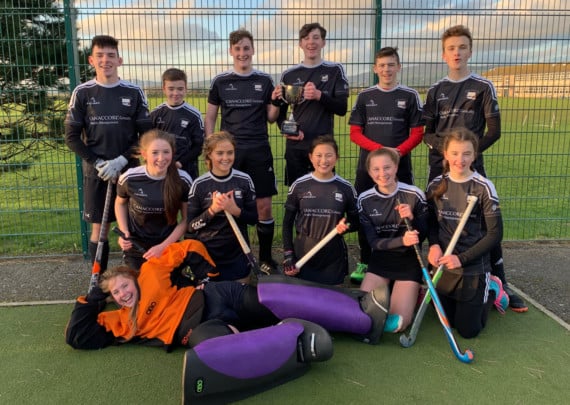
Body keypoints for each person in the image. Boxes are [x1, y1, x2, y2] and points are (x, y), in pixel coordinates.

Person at [65, 239, 392, 402]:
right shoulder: (120, 322)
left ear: (132, 279)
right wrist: (90, 299)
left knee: (272, 294)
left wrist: (207, 276)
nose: (123, 293)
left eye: (124, 286)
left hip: (218, 296)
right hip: (197, 328)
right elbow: (77, 336)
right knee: (215, 352)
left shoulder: (150, 273)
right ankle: (296, 340)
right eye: (116, 293)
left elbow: (190, 247)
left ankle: (365, 318)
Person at [422, 25, 527, 311]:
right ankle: (437, 277)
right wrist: (448, 153)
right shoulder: (435, 90)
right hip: (439, 169)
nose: (457, 52)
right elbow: (426, 134)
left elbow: (494, 131)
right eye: (451, 48)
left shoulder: (483, 87)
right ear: (444, 55)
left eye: (462, 47)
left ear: (470, 51)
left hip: (471, 169)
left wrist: (465, 157)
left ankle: (500, 281)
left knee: (482, 223)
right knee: (437, 219)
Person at [64, 35, 152, 273]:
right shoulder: (82, 92)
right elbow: (71, 137)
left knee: (133, 224)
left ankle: (136, 276)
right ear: (91, 60)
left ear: (119, 60)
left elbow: (146, 136)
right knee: (100, 228)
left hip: (129, 170)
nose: (106, 60)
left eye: (111, 55)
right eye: (100, 55)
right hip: (97, 172)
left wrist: (122, 159)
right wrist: (98, 162)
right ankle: (99, 279)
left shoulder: (134, 92)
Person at [206, 29, 280, 274]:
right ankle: (240, 259)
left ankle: (266, 259)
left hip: (259, 150)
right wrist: (210, 148)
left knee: (263, 206)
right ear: (231, 51)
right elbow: (210, 117)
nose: (242, 53)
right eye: (237, 49)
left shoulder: (265, 80)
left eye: (246, 48)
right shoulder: (220, 81)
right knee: (231, 203)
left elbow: (271, 117)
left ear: (253, 50)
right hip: (230, 154)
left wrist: (278, 101)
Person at [348, 46, 425, 283]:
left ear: (398, 67)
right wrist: (381, 153)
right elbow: (354, 133)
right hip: (369, 169)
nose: (386, 69)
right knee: (366, 212)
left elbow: (418, 133)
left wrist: (397, 153)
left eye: (391, 64)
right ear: (375, 69)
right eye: (382, 65)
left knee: (404, 212)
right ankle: (365, 260)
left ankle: (407, 259)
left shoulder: (410, 95)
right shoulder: (364, 96)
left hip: (400, 166)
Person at [425, 128, 509, 339]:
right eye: (454, 153)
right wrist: (433, 245)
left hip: (472, 266)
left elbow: (495, 234)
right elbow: (431, 223)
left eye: (466, 154)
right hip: (444, 263)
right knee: (447, 321)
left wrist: (461, 259)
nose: (460, 160)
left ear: (474, 155)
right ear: (445, 154)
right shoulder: (436, 185)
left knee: (468, 330)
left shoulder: (483, 187)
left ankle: (493, 290)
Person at [357, 148, 429, 333]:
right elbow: (373, 243)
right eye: (376, 169)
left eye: (387, 167)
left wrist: (412, 218)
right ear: (369, 172)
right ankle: (389, 288)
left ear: (396, 167)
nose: (382, 173)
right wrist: (402, 241)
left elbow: (425, 232)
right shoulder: (364, 200)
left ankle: (413, 292)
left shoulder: (414, 194)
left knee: (396, 324)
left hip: (408, 261)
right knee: (363, 315)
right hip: (380, 260)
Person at [272, 22, 349, 185]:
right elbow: (280, 114)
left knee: (324, 192)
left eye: (316, 38)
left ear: (323, 42)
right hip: (296, 147)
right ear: (300, 44)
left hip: (323, 149)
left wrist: (319, 95)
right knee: (296, 193)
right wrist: (287, 130)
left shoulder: (335, 70)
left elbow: (342, 108)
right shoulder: (289, 74)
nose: (311, 42)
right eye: (306, 38)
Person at [282, 136, 358, 286]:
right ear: (311, 157)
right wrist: (288, 254)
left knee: (331, 299)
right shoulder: (299, 185)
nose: (324, 160)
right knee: (304, 299)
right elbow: (287, 223)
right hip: (303, 254)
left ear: (337, 158)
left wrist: (346, 227)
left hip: (332, 256)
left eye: (329, 155)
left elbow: (355, 222)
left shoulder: (346, 188)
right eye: (319, 155)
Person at [114, 129, 192, 270]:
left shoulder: (183, 180)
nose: (161, 158)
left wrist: (163, 246)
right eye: (155, 152)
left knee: (163, 283)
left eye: (166, 152)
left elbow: (186, 219)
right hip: (136, 246)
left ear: (173, 153)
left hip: (168, 244)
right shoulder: (129, 178)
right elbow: (120, 203)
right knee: (140, 283)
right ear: (144, 154)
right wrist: (124, 231)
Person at [186, 131, 258, 283]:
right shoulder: (199, 185)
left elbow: (253, 219)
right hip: (208, 253)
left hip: (237, 253)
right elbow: (191, 227)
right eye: (219, 153)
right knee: (211, 296)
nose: (226, 158)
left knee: (238, 295)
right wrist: (212, 210)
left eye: (230, 153)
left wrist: (234, 210)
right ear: (209, 155)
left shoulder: (244, 180)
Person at [150, 68, 205, 179]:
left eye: (180, 89)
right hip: (161, 168)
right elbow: (149, 143)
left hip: (186, 169)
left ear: (186, 89)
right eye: (171, 89)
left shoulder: (194, 115)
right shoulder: (155, 114)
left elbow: (199, 146)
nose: (175, 93)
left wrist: (180, 163)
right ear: (164, 89)